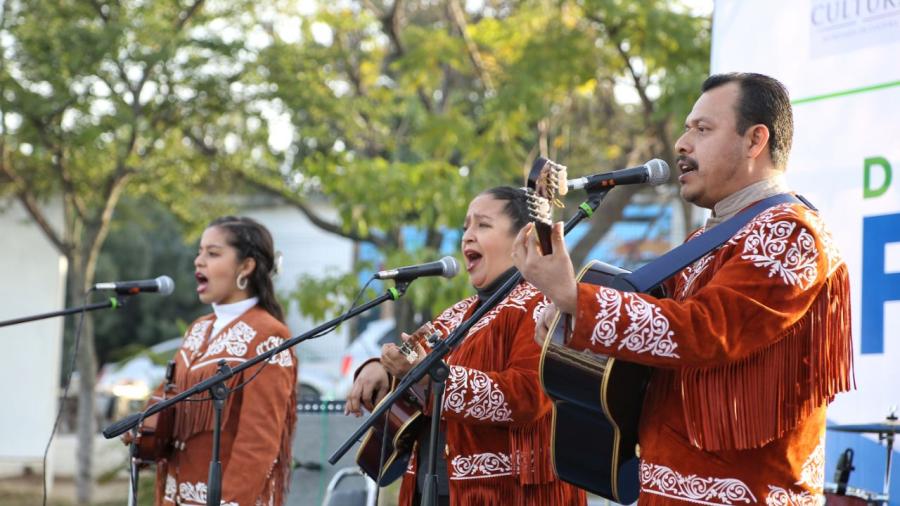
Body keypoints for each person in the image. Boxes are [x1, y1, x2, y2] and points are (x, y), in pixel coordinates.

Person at [513, 72, 854, 503]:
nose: (681, 142)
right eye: (687, 127)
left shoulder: (790, 233)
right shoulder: (709, 239)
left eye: (702, 129)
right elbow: (652, 337)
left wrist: (574, 299)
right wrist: (566, 317)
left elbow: (708, 331)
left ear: (755, 141)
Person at [345, 187, 586, 506]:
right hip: (432, 490)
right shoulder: (457, 313)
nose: (467, 237)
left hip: (506, 495)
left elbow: (527, 396)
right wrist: (378, 367)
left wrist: (430, 377)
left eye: (482, 225)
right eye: (465, 228)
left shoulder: (543, 304)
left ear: (523, 237)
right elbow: (407, 363)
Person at [131, 216, 297, 506]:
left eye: (213, 253)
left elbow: (259, 442)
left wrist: (228, 501)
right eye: (199, 251)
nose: (199, 261)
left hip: (226, 498)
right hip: (175, 494)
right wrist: (143, 426)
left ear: (246, 266)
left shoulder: (270, 336)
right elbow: (168, 393)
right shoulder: (198, 328)